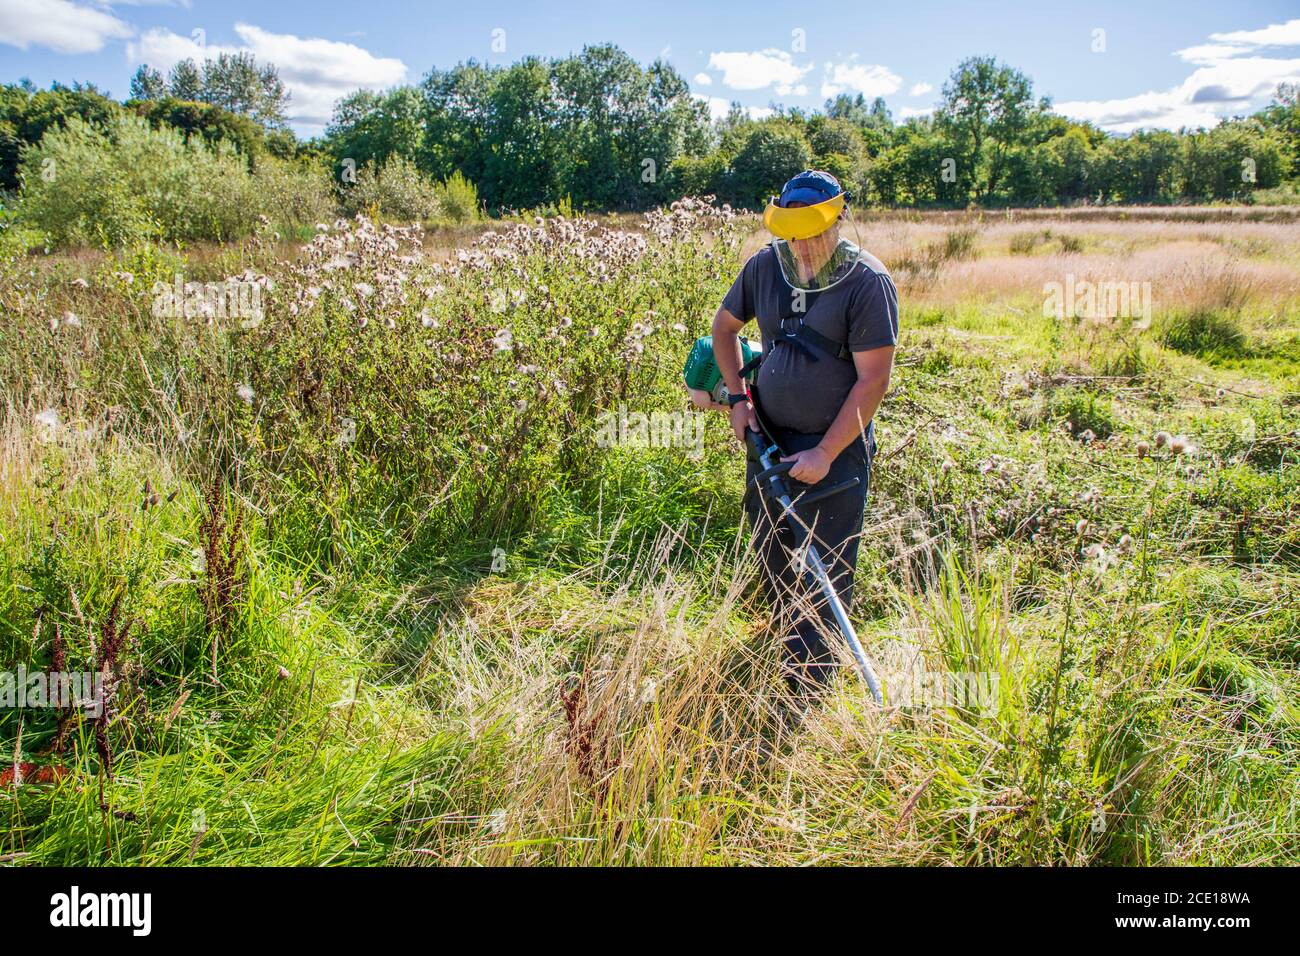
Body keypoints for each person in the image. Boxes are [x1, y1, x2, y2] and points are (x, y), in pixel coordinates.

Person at [711, 170, 898, 691]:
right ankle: (778, 633)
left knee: (827, 564)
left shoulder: (867, 283)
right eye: (793, 234)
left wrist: (824, 452)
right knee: (770, 544)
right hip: (766, 439)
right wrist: (738, 399)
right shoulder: (764, 269)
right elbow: (724, 329)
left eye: (814, 232)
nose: (804, 245)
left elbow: (873, 381)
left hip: (834, 453)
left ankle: (811, 681)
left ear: (838, 219)